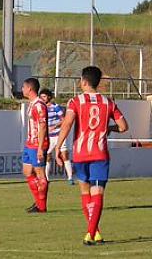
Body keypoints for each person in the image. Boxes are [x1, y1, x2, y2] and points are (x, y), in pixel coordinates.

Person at [55, 66, 128, 246]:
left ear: (84, 81)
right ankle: (91, 232)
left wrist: (57, 147)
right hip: (100, 153)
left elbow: (67, 124)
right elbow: (124, 126)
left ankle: (94, 232)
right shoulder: (108, 102)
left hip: (80, 154)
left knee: (85, 192)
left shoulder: (75, 101)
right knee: (98, 193)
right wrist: (109, 128)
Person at [21, 78, 49, 213]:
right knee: (27, 172)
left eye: (23, 87)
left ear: (29, 89)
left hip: (38, 144)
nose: (22, 89)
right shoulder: (32, 104)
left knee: (41, 176)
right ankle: (38, 202)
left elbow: (43, 126)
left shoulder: (39, 105)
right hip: (29, 143)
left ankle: (41, 207)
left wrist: (39, 148)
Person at [40, 89, 74, 185]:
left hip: (59, 135)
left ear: (49, 97)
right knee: (47, 156)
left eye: (44, 96)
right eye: (41, 97)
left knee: (64, 155)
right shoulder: (41, 108)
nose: (42, 98)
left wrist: (54, 126)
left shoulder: (55, 107)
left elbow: (64, 120)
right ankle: (46, 179)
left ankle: (70, 178)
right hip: (49, 136)